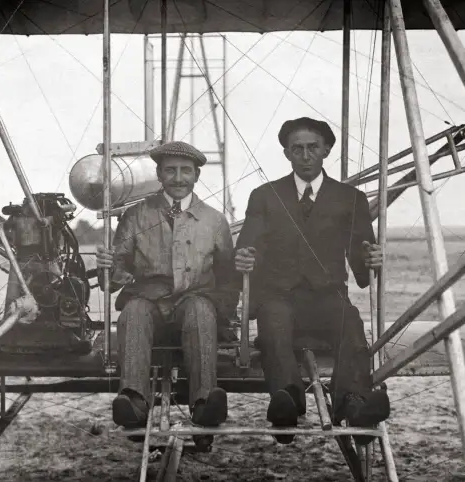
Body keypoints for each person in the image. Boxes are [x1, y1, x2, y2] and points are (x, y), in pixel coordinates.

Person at [234, 116, 390, 444]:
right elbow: (248, 246)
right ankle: (287, 401)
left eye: (312, 148)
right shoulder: (264, 196)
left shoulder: (350, 199)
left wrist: (371, 260)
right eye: (297, 149)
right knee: (272, 323)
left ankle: (354, 403)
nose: (305, 156)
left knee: (350, 321)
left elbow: (362, 266)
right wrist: (245, 257)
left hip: (327, 296)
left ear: (326, 150)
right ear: (287, 153)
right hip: (279, 296)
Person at [96, 140, 238, 445]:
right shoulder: (136, 216)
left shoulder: (215, 221)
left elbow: (228, 277)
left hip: (195, 303)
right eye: (170, 170)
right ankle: (133, 402)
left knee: (201, 311)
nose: (178, 178)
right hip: (148, 303)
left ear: (197, 175)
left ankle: (203, 405)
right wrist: (107, 266)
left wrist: (225, 319)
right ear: (159, 174)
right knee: (132, 311)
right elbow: (114, 276)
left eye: (185, 171)